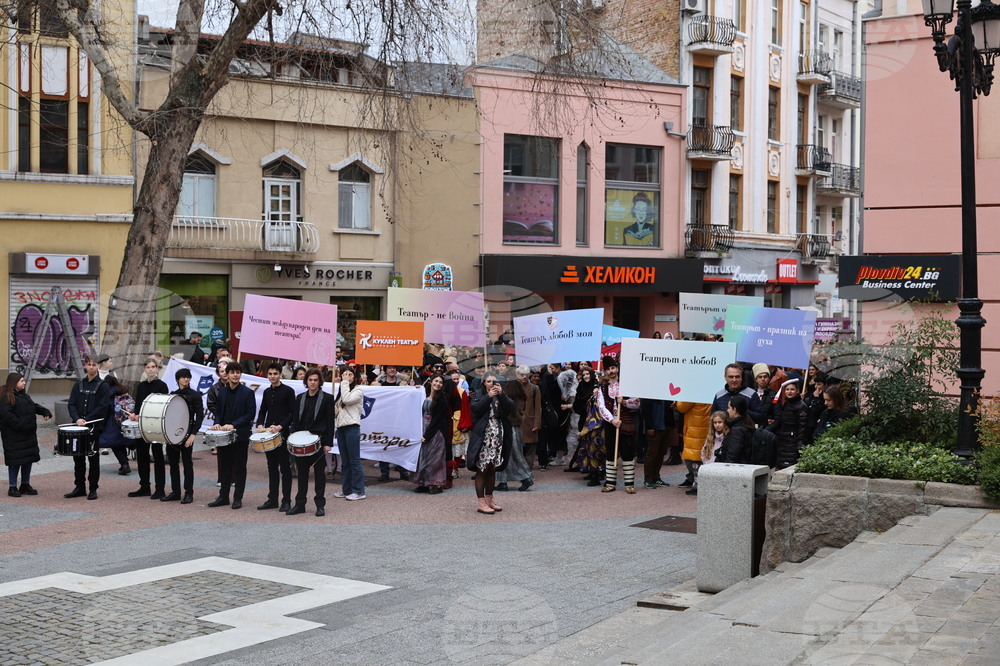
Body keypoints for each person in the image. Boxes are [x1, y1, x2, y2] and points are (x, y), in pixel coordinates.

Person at [288, 368, 336, 516]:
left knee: (319, 475)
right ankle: (300, 504)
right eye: (310, 380)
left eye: (315, 380)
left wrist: (328, 443)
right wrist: (292, 438)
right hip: (301, 440)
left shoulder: (327, 398)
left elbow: (330, 423)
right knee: (302, 474)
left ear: (320, 382)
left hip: (318, 441)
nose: (313, 382)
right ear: (306, 381)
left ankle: (320, 505)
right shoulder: (300, 398)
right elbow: (295, 420)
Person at [207, 364, 255, 509]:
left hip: (240, 435)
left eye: (238, 372)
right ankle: (223, 497)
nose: (235, 375)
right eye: (232, 372)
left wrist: (233, 424)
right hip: (224, 436)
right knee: (225, 467)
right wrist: (217, 423)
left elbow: (250, 414)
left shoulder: (247, 393)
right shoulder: (222, 392)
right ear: (226, 375)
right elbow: (218, 412)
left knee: (239, 467)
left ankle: (237, 498)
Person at [466, 372, 514, 515]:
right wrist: (488, 397)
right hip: (483, 436)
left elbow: (511, 408)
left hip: (498, 435)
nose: (492, 384)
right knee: (482, 468)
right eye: (489, 381)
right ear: (484, 383)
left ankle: (489, 499)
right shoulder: (479, 394)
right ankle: (481, 502)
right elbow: (475, 409)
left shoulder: (501, 395)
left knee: (492, 468)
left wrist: (502, 395)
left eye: (494, 381)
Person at [65, 356, 111, 500]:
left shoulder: (103, 386)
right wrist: (77, 418)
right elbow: (71, 404)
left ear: (98, 366)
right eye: (89, 364)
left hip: (93, 427)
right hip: (78, 426)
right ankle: (79, 487)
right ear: (85, 366)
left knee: (93, 458)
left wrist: (87, 419)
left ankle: (93, 488)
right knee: (78, 458)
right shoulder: (78, 384)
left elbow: (103, 407)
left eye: (94, 365)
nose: (91, 367)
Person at [0, 373, 51, 496]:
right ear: (14, 383)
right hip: (14, 436)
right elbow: (6, 415)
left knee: (28, 459)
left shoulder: (23, 395)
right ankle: (12, 487)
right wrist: (21, 425)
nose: (24, 383)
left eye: (24, 380)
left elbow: (33, 406)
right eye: (21, 381)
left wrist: (44, 411)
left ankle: (25, 484)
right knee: (15, 461)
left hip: (27, 434)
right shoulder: (6, 396)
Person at [594, 358, 640, 494]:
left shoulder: (627, 385)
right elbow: (601, 407)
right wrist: (612, 420)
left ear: (617, 368)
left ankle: (629, 485)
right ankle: (610, 483)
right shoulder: (603, 388)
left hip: (626, 421)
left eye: (613, 368)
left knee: (628, 453)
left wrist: (625, 402)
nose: (611, 371)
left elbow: (638, 403)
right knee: (610, 452)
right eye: (608, 369)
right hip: (611, 424)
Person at [255, 362, 296, 512]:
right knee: (271, 467)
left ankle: (286, 501)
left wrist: (281, 426)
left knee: (285, 468)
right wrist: (260, 424)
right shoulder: (266, 392)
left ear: (280, 374)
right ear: (267, 375)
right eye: (270, 374)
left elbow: (293, 413)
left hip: (282, 434)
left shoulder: (288, 391)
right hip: (268, 435)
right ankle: (272, 499)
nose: (273, 376)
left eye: (275, 374)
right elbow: (262, 411)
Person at [127, 358, 169, 498]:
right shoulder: (141, 386)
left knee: (158, 455)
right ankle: (144, 486)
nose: (150, 369)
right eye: (148, 367)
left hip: (156, 425)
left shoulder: (162, 386)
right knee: (142, 455)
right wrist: (135, 415)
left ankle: (160, 488)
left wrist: (144, 415)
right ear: (144, 369)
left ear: (157, 368)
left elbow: (163, 406)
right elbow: (138, 404)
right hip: (142, 425)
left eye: (153, 367)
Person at [497, 365, 538, 492]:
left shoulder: (511, 398)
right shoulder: (520, 395)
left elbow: (511, 412)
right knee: (508, 455)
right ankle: (503, 481)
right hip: (514, 427)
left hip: (510, 427)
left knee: (513, 454)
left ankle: (526, 478)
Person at [167, 367, 202, 503]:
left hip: (187, 433)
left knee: (187, 464)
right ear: (178, 379)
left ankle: (189, 493)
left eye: (188, 377)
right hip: (173, 434)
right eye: (183, 377)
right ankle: (175, 492)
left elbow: (199, 416)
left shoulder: (195, 395)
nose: (186, 379)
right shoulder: (173, 395)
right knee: (173, 464)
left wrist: (193, 434)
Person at [412, 374, 452, 494]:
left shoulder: (442, 399)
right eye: (436, 381)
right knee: (422, 456)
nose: (438, 384)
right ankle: (422, 482)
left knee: (435, 458)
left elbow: (438, 419)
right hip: (421, 427)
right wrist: (414, 389)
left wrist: (427, 435)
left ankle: (436, 484)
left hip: (435, 431)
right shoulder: (423, 394)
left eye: (440, 382)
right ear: (430, 382)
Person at [334, 368, 366, 501]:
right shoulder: (342, 390)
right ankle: (346, 489)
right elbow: (338, 410)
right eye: (345, 374)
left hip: (352, 427)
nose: (347, 376)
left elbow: (347, 400)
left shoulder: (358, 390)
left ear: (355, 377)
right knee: (345, 461)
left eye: (350, 374)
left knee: (354, 460)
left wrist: (344, 382)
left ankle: (359, 491)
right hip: (341, 428)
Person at [771, 375, 812, 469]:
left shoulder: (801, 406)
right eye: (787, 389)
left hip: (793, 442)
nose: (789, 392)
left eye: (792, 389)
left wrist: (800, 446)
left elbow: (803, 428)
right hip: (784, 441)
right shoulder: (786, 404)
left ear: (798, 391)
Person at [98, 376, 135, 477]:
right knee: (120, 443)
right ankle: (125, 462)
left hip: (113, 423)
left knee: (116, 445)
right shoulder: (123, 391)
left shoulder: (109, 394)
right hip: (125, 422)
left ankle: (124, 465)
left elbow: (106, 410)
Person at [675, 400, 712, 489]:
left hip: (694, 427)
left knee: (693, 456)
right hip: (705, 425)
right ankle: (695, 478)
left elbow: (682, 407)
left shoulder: (693, 394)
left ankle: (695, 480)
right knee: (701, 454)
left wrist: (678, 401)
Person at [640, 397, 675, 489]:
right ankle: (648, 479)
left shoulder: (666, 392)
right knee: (652, 452)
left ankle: (656, 477)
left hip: (666, 425)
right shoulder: (649, 393)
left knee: (661, 452)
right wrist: (649, 426)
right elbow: (645, 409)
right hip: (654, 426)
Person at [718, 395, 756, 467]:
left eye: (729, 408)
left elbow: (732, 455)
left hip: (737, 469)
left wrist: (726, 469)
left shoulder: (738, 430)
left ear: (735, 410)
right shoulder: (746, 424)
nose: (727, 410)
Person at [748, 363, 776, 427]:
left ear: (769, 378)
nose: (763, 379)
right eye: (760, 377)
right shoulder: (750, 394)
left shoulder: (774, 395)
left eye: (765, 376)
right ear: (756, 379)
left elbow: (777, 413)